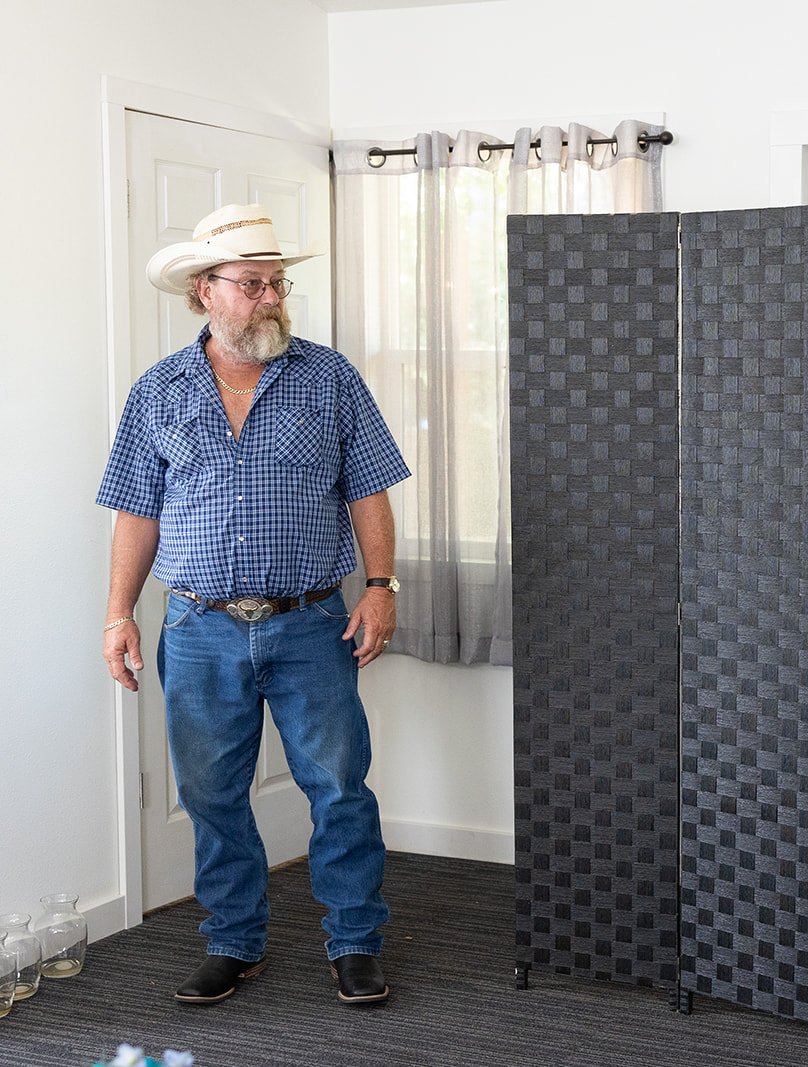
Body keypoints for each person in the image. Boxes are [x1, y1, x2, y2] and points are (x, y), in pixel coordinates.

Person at [98, 204, 411, 1006]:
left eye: (277, 283)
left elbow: (369, 490)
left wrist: (381, 587)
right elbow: (136, 511)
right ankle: (234, 941)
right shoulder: (157, 391)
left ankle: (355, 941)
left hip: (312, 621)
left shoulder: (328, 377)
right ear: (205, 290)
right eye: (252, 283)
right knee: (211, 793)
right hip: (197, 626)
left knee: (339, 786)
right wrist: (119, 612)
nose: (271, 297)